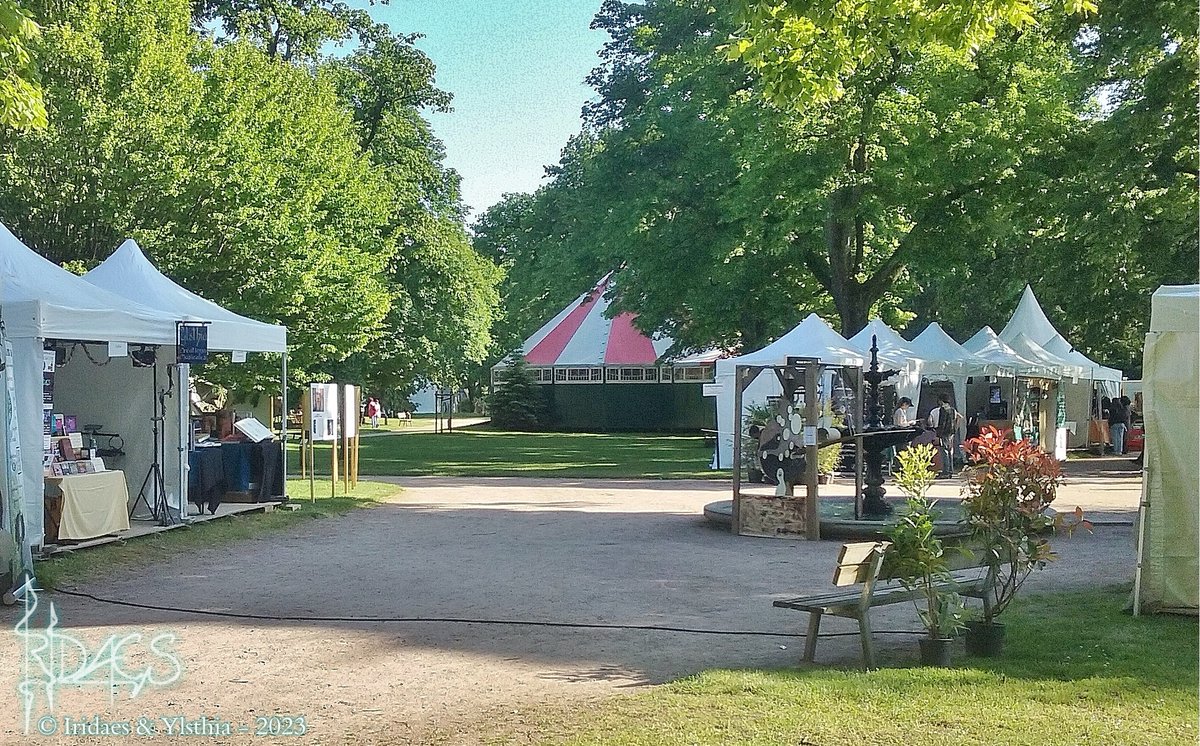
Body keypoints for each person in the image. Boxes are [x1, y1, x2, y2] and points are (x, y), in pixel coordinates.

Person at [928, 393, 964, 478]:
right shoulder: (952, 410)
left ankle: (945, 472)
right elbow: (960, 418)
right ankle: (950, 470)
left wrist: (938, 435)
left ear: (941, 401)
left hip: (943, 433)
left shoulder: (942, 410)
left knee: (944, 452)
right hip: (951, 433)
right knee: (950, 451)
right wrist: (955, 429)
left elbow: (942, 422)